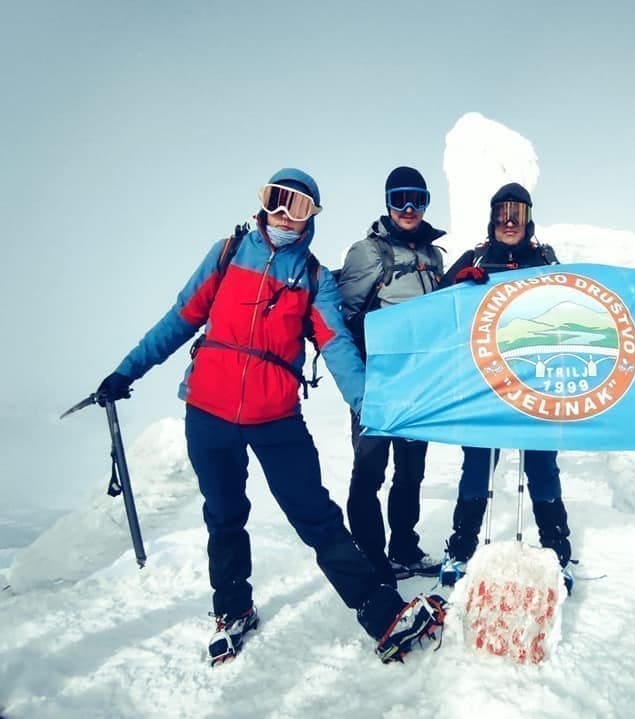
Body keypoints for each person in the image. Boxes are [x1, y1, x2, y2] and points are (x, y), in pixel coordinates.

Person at [94, 168, 444, 666]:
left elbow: (337, 346)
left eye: (297, 205)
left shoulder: (316, 279)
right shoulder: (228, 253)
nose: (283, 213)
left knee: (317, 517)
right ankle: (233, 610)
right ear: (263, 202)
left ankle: (382, 614)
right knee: (224, 515)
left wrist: (370, 406)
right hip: (208, 413)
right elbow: (180, 318)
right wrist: (126, 371)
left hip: (276, 418)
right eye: (277, 199)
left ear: (311, 216)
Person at [435, 182, 574, 592]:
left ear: (529, 219)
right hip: (483, 384)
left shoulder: (545, 259)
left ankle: (557, 553)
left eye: (518, 213)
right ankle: (461, 549)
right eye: (502, 213)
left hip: (534, 384)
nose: (509, 222)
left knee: (542, 467)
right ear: (492, 218)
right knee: (477, 467)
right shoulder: (475, 257)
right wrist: (458, 286)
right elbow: (437, 311)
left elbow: (571, 305)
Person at [337, 166, 446, 584]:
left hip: (419, 384)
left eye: (418, 199)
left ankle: (404, 548)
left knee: (411, 470)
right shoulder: (367, 252)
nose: (409, 208)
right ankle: (371, 558)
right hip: (378, 383)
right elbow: (344, 318)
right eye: (400, 198)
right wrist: (360, 379)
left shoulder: (435, 256)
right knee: (369, 471)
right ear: (387, 202)